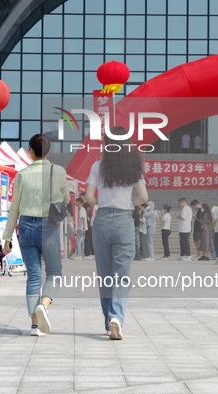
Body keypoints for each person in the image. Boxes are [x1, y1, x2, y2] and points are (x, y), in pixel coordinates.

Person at [84, 126, 148, 340]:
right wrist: (129, 203)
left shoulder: (98, 166)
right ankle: (116, 318)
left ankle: (108, 321)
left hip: (101, 220)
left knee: (105, 276)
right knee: (122, 276)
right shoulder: (133, 167)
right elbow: (144, 197)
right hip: (123, 221)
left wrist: (102, 202)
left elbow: (89, 197)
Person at [3, 134, 70, 337]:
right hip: (48, 226)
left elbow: (14, 207)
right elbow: (66, 199)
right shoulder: (58, 171)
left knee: (33, 275)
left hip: (25, 226)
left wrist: (7, 237)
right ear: (49, 152)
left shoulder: (22, 175)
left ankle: (34, 326)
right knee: (54, 272)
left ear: (30, 151)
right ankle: (44, 304)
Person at [79, 192, 94, 258]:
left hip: (87, 222)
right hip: (87, 222)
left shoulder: (86, 204)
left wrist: (87, 216)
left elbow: (88, 208)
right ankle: (87, 251)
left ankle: (87, 252)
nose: (81, 198)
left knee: (87, 237)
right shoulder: (85, 204)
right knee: (86, 238)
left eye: (82, 196)